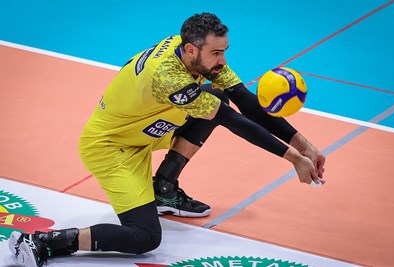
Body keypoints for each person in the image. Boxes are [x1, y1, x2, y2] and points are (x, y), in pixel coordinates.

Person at [9, 12, 325, 267]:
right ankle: (44, 242)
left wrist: (303, 144)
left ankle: (164, 189)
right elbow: (233, 121)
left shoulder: (196, 54)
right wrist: (293, 159)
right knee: (145, 238)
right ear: (191, 50)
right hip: (112, 147)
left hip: (147, 128)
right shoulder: (170, 78)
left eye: (224, 51)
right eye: (217, 53)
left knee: (216, 99)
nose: (223, 60)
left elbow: (244, 99)